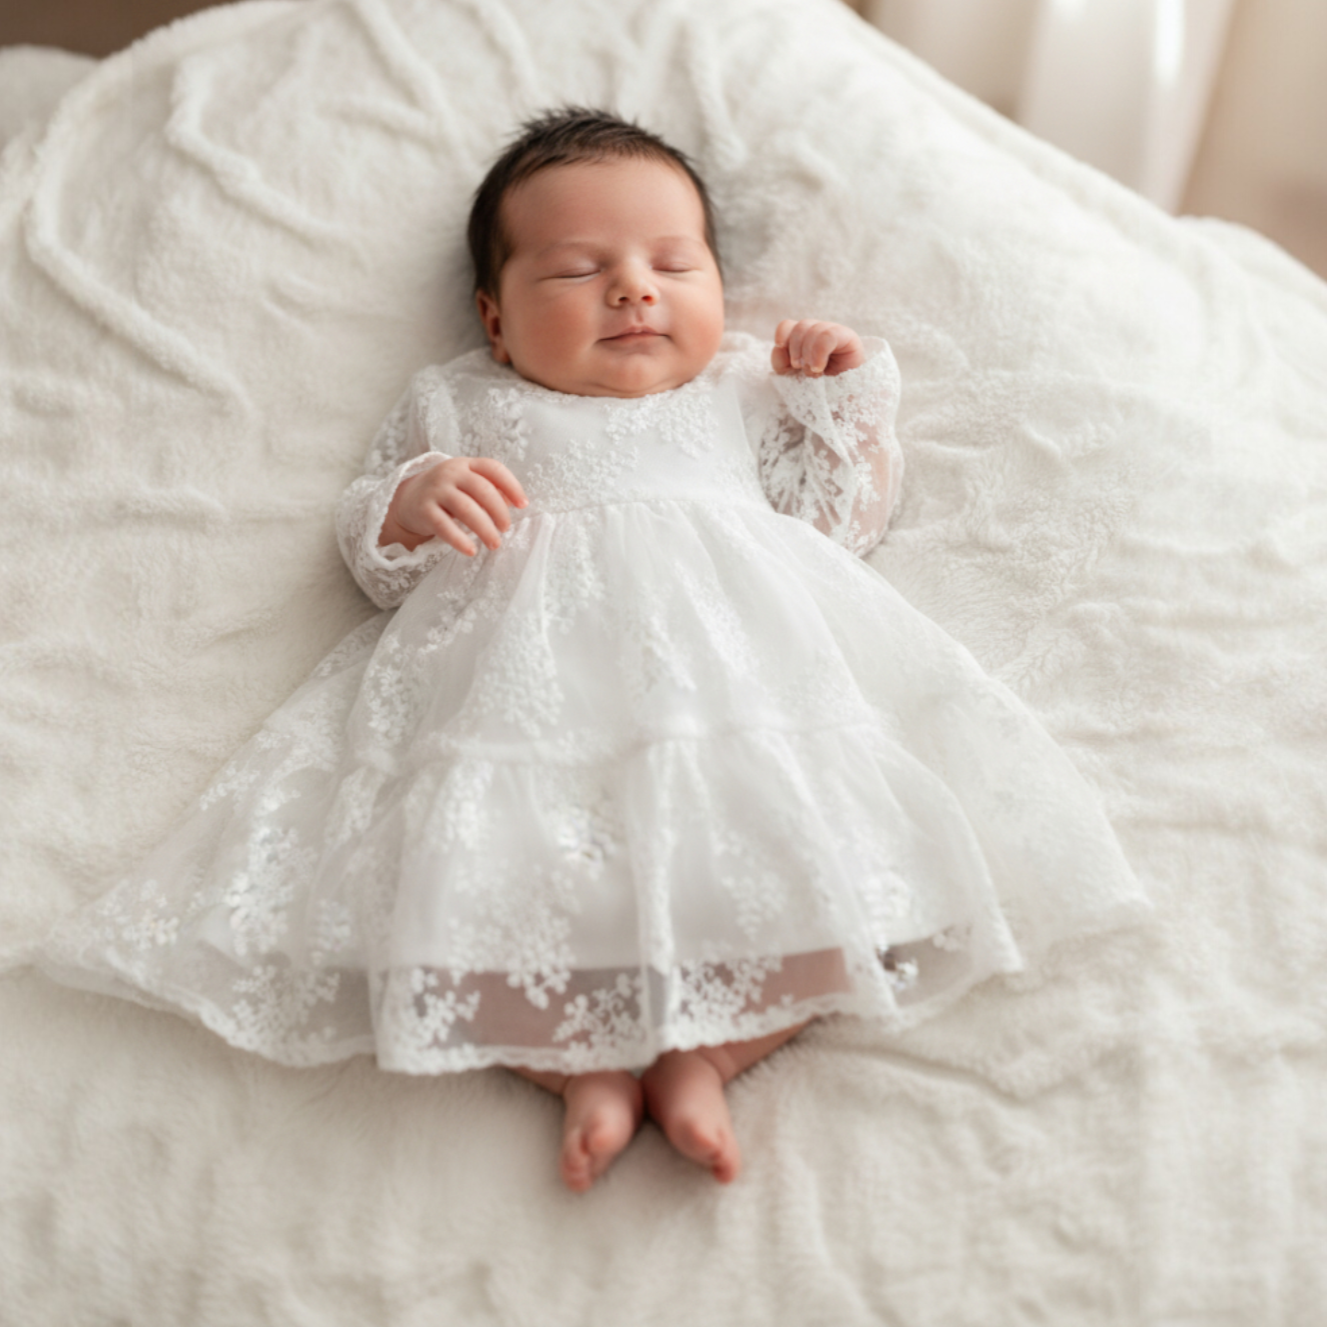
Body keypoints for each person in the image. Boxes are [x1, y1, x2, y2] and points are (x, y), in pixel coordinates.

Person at [36, 108, 1147, 1193]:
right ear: (496, 319)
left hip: (734, 692)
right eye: (577, 270)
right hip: (526, 708)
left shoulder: (740, 388)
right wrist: (414, 501)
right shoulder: (462, 401)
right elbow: (382, 566)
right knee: (466, 900)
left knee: (824, 878)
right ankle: (578, 1067)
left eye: (674, 262)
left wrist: (838, 404)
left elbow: (838, 525)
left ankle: (711, 1053)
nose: (632, 288)